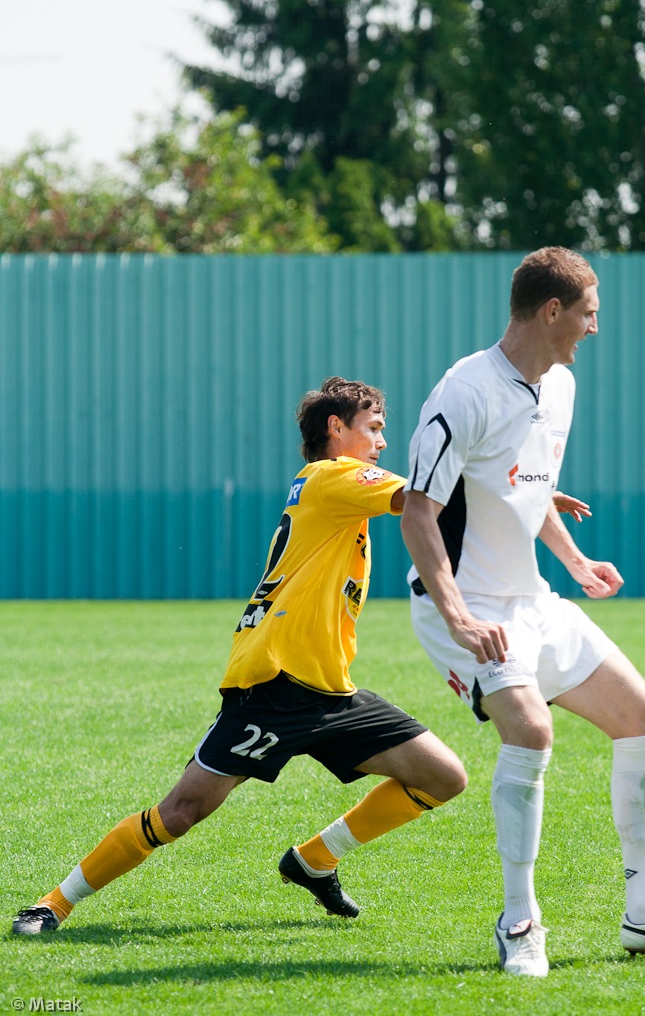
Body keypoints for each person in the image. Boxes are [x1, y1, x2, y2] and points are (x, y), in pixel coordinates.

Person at [13, 376, 467, 936]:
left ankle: (314, 860)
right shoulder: (337, 475)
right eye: (373, 428)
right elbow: (422, 497)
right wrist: (517, 489)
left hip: (331, 691)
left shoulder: (336, 489)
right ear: (336, 429)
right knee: (181, 812)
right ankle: (52, 903)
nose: (382, 442)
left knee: (443, 776)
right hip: (275, 687)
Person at [400, 246, 645, 977]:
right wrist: (463, 622)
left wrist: (575, 561)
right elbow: (417, 513)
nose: (597, 328)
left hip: (531, 598)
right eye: (590, 313)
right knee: (531, 732)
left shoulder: (559, 383)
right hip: (464, 605)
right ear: (553, 311)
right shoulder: (462, 391)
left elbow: (523, 490)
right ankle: (519, 921)